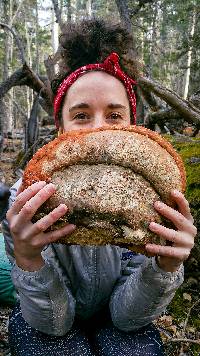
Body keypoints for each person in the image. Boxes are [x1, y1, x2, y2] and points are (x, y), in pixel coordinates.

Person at [2, 19, 196, 356]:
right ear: (60, 126)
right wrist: (29, 257)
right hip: (46, 317)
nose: (99, 131)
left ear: (134, 127)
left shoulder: (152, 200)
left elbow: (127, 317)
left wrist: (165, 267)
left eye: (114, 115)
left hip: (117, 316)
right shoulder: (28, 203)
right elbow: (53, 323)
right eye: (80, 115)